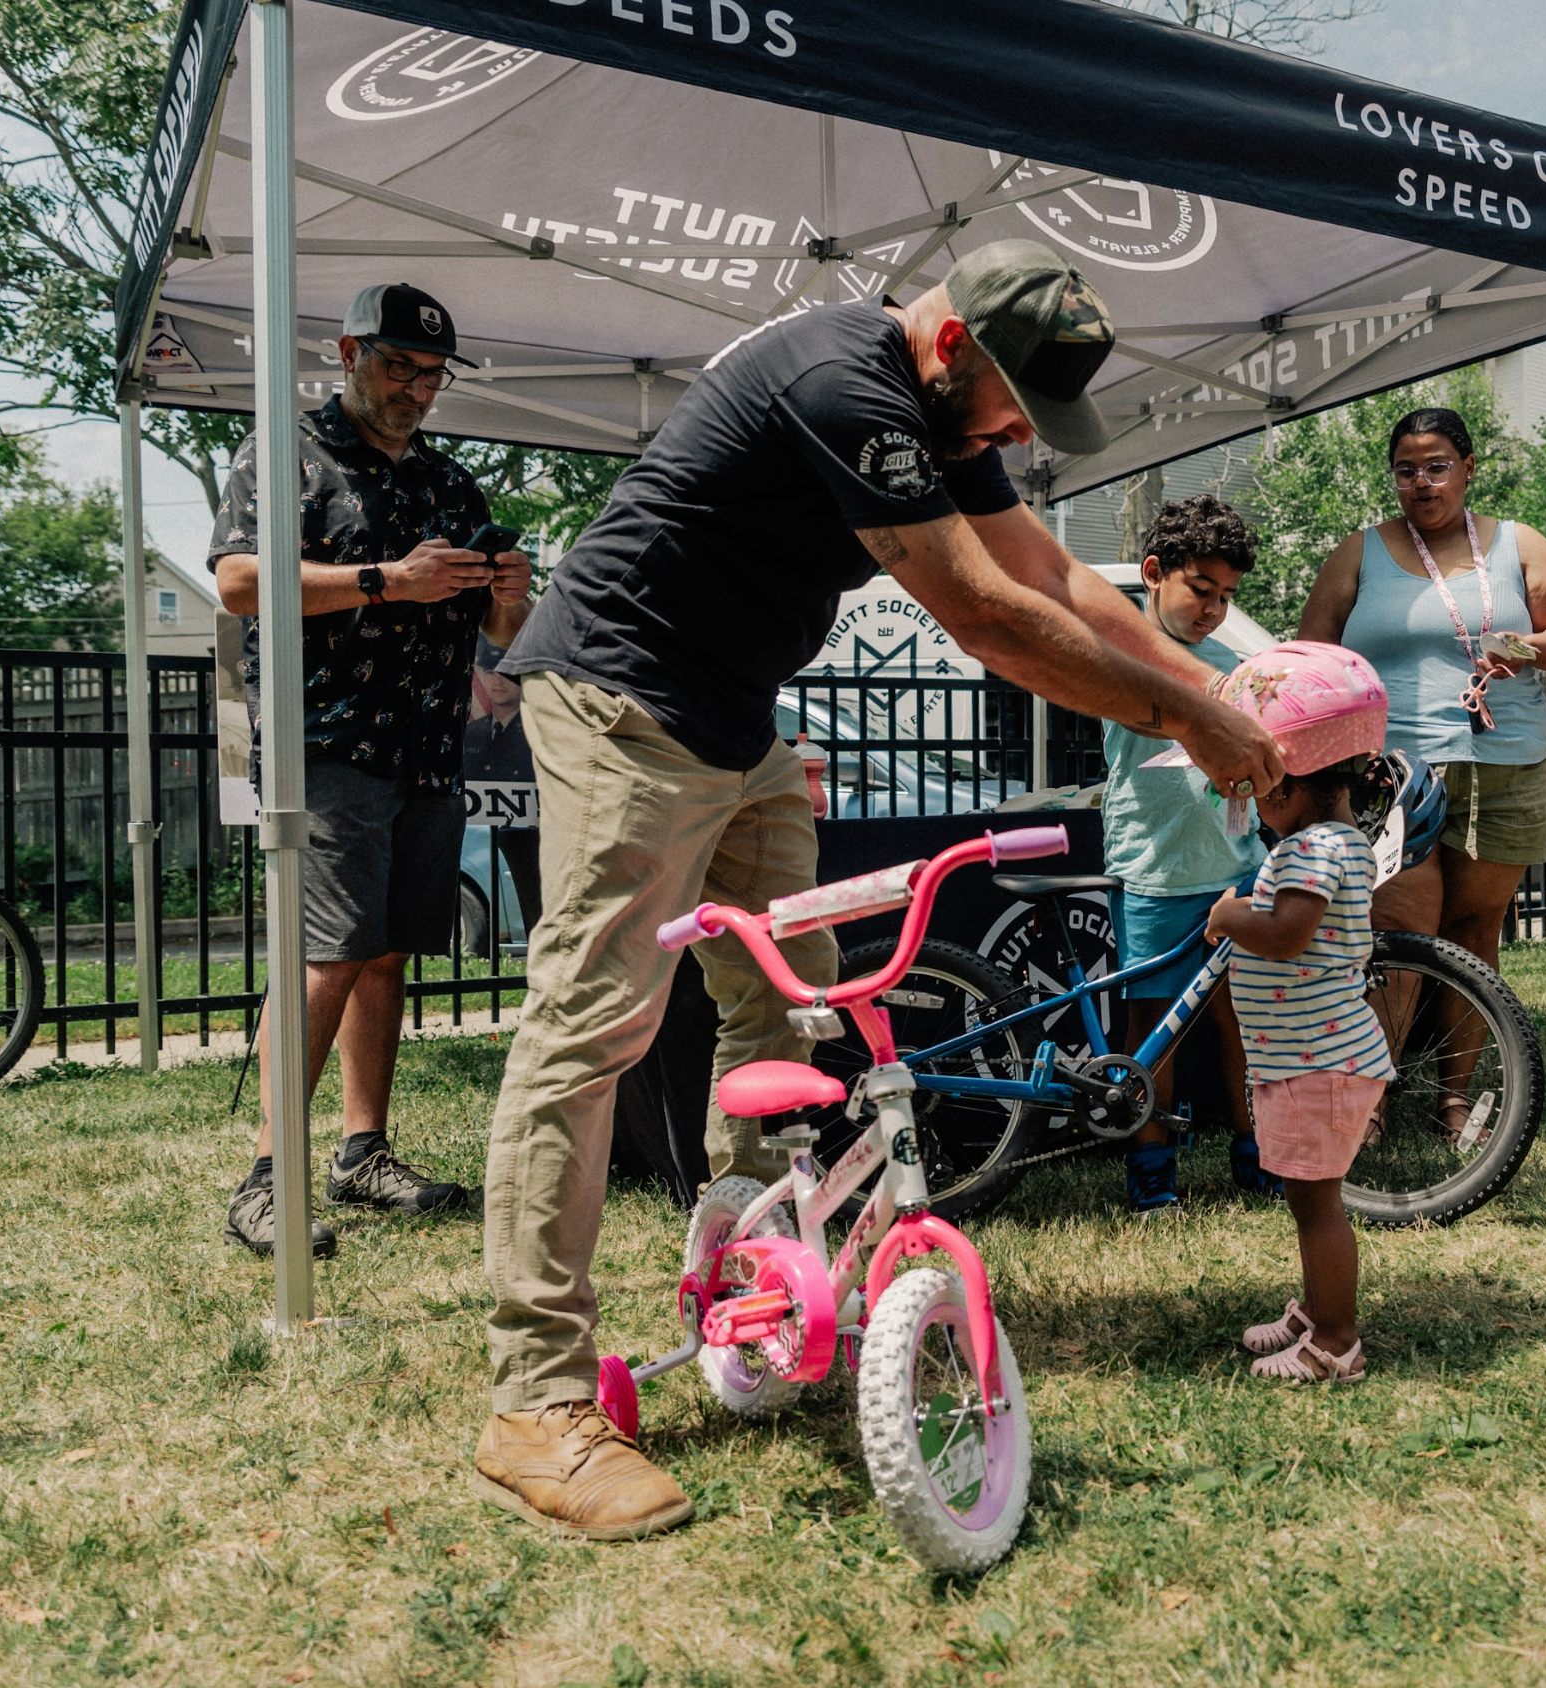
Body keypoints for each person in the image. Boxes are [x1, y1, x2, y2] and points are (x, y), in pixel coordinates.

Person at [472, 240, 1281, 1539]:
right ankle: (537, 1400)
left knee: (786, 1010)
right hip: (619, 701)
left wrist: (1213, 693)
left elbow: (1060, 579)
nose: (1021, 436)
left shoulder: (943, 405)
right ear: (953, 345)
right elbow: (987, 618)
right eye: (1016, 405)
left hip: (738, 729)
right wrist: (1188, 719)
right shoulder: (847, 376)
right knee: (593, 1029)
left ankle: (751, 1277)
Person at [208, 282, 532, 1258]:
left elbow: (494, 633)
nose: (416, 389)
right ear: (349, 351)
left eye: (431, 374)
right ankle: (268, 1179)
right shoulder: (288, 453)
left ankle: (361, 1150)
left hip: (428, 747)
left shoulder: (447, 481)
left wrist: (508, 598)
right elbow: (234, 582)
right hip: (327, 744)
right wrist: (386, 579)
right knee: (329, 951)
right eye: (398, 366)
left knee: (387, 949)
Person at [1297, 407, 1546, 971]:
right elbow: (1313, 654)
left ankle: (1466, 1061)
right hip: (1389, 771)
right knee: (1397, 925)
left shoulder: (1518, 544)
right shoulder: (1360, 551)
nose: (1421, 483)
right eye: (1405, 471)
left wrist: (1526, 649)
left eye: (1436, 467)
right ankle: (1385, 1062)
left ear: (1468, 467)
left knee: (1473, 929)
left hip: (1504, 765)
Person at [1201, 646, 1397, 1385]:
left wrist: (1229, 914)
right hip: (1310, 1058)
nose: (1249, 803)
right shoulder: (1338, 841)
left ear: (1283, 783)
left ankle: (1336, 1342)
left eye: (1252, 788)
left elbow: (1286, 934)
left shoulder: (1310, 850)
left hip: (1319, 1062)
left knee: (1318, 1209)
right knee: (1304, 1198)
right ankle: (1317, 1311)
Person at [1098, 495, 1272, 1214]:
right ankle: (1151, 1170)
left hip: (1237, 864)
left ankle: (1258, 1155)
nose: (1213, 609)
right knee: (1154, 1026)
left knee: (1244, 1015)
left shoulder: (1237, 663)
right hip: (1154, 870)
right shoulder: (1116, 652)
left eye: (1227, 596)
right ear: (1153, 574)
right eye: (1201, 589)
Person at [463, 642, 542, 932]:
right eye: (489, 671)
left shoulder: (536, 733)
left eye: (507, 673)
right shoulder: (472, 734)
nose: (496, 681)